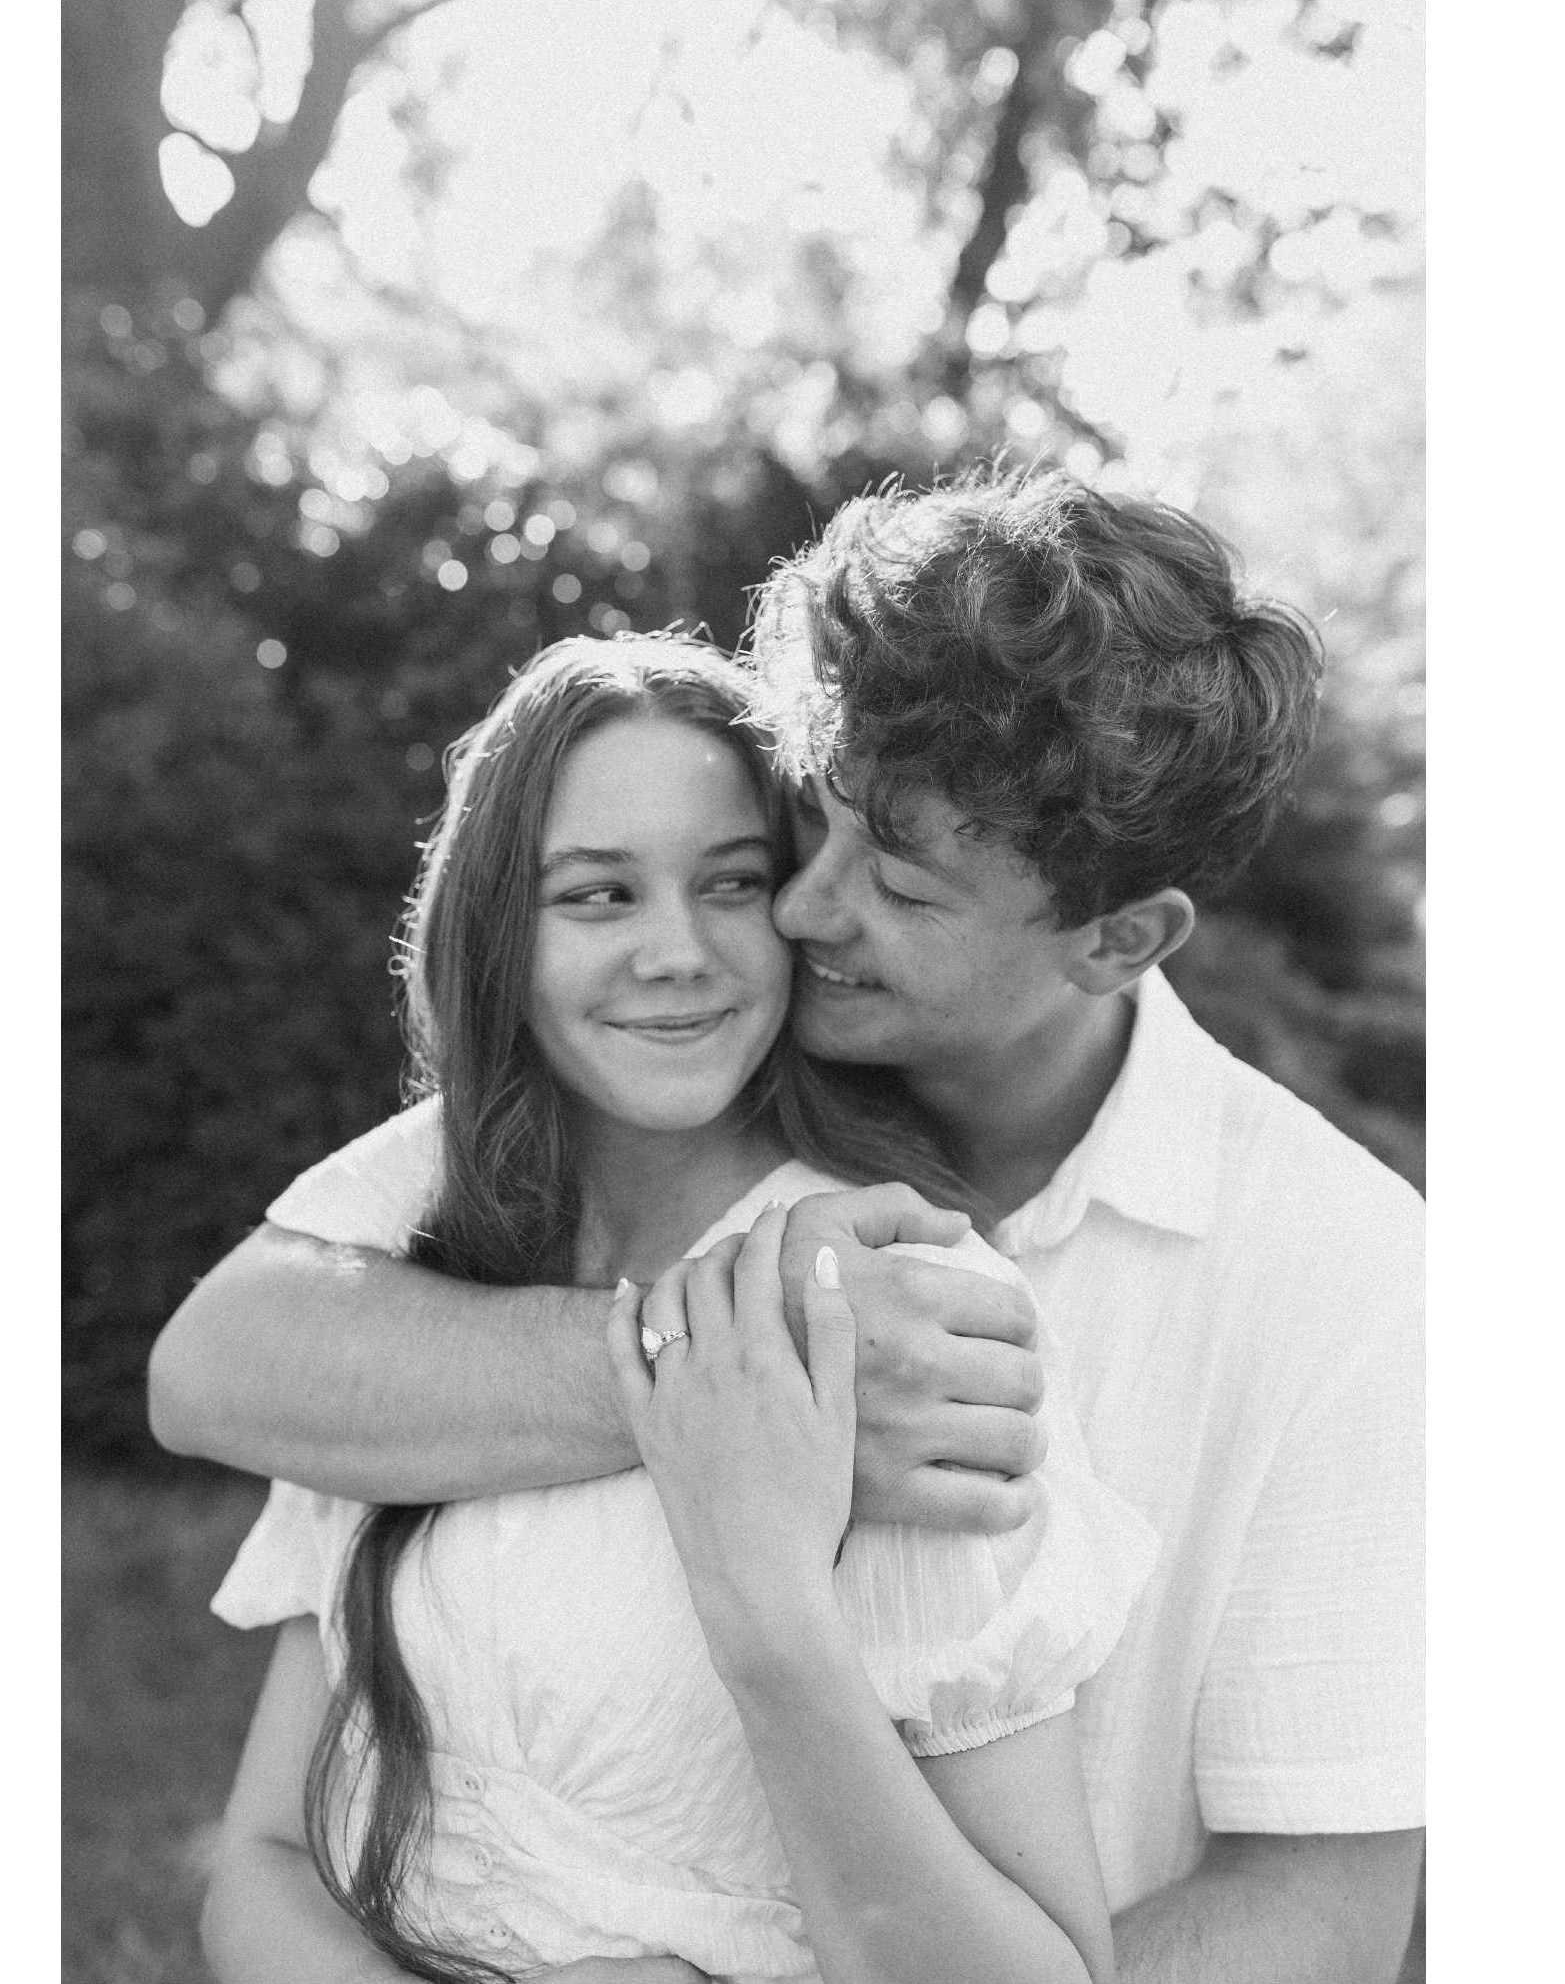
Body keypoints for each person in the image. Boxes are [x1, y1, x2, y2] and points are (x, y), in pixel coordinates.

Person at [154, 469, 1427, 1982]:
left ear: (1117, 940)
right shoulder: (671, 1080)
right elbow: (225, 1361)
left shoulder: (1347, 1279)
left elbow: (1318, 1924)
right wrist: (728, 1373)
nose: (805, 911)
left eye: (900, 886)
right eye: (811, 825)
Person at [198, 631, 1158, 1983]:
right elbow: (267, 1856)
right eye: (599, 895)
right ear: (497, 929)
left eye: (733, 884)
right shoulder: (420, 1266)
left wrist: (770, 1612)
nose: (679, 953)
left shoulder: (898, 1320)